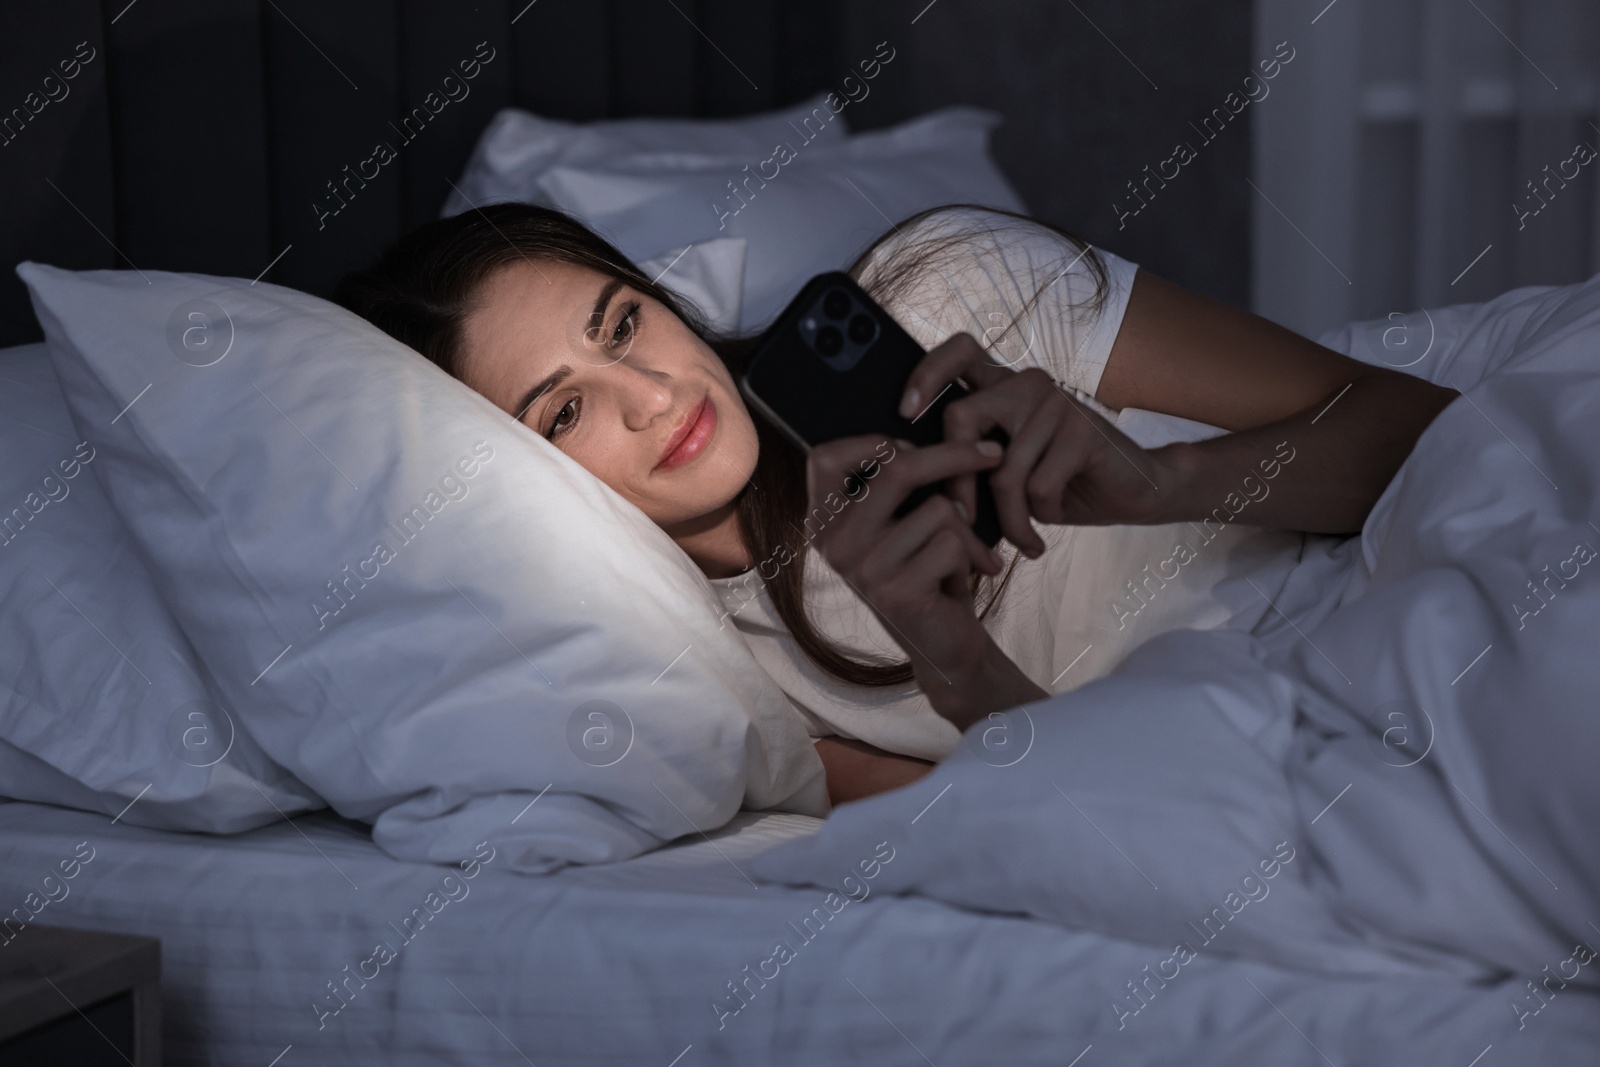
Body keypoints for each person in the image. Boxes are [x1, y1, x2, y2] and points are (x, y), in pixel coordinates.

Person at [335, 202, 1458, 807]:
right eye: (562, 414)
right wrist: (953, 659)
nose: (650, 396)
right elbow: (1093, 820)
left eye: (623, 324)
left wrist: (1162, 483)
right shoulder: (695, 680)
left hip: (1401, 597)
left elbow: (1426, 426)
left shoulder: (952, 290)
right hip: (1258, 777)